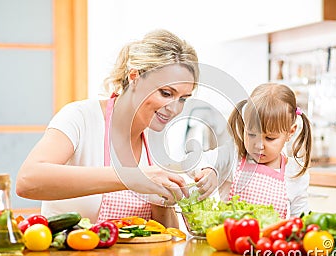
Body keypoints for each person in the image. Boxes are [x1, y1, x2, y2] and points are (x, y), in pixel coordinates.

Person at [16, 29, 216, 227]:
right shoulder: (81, 117)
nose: (174, 109)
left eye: (182, 99)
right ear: (135, 77)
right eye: (165, 93)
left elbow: (168, 234)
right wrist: (130, 177)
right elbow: (27, 181)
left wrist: (165, 199)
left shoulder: (156, 142)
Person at [201, 83, 312, 219]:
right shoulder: (233, 156)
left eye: (270, 138)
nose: (259, 145)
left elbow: (300, 219)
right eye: (252, 134)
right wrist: (208, 170)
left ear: (290, 132)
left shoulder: (294, 172)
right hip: (229, 239)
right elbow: (198, 160)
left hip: (270, 240)